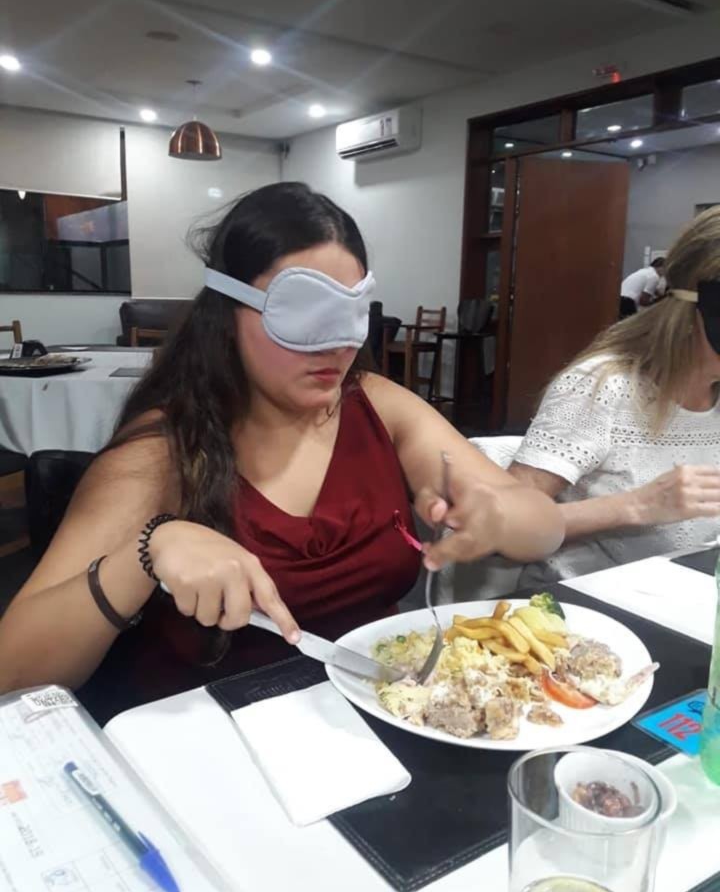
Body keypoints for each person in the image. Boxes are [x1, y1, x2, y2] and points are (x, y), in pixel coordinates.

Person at [0, 183, 563, 720]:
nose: (337, 345)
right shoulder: (162, 452)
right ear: (229, 309)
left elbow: (544, 528)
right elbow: (11, 672)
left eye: (350, 314)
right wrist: (146, 552)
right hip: (212, 739)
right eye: (304, 314)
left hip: (378, 714)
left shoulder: (377, 404)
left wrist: (503, 513)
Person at [509, 208, 720, 590]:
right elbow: (506, 524)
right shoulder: (602, 388)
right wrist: (638, 505)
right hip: (581, 606)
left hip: (688, 597)